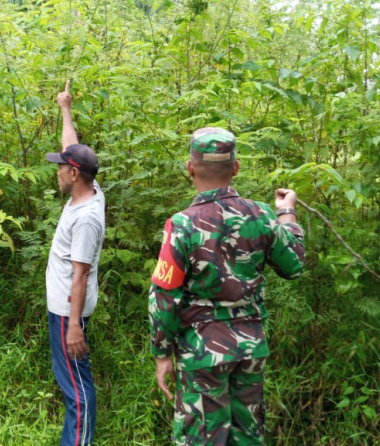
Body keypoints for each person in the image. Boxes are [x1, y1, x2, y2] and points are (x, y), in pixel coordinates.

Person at [149, 127, 306, 445]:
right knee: (246, 437)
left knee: (201, 439)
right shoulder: (260, 215)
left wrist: (162, 353)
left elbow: (165, 297)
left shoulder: (182, 225)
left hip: (203, 352)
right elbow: (293, 264)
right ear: (235, 167)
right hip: (250, 347)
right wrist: (287, 211)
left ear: (189, 167)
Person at [44, 80, 105, 446]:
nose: (58, 170)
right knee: (72, 380)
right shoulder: (90, 188)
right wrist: (65, 108)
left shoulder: (85, 219)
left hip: (69, 310)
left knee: (77, 389)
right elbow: (71, 146)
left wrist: (73, 327)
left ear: (73, 174)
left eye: (61, 167)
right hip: (66, 309)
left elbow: (80, 275)